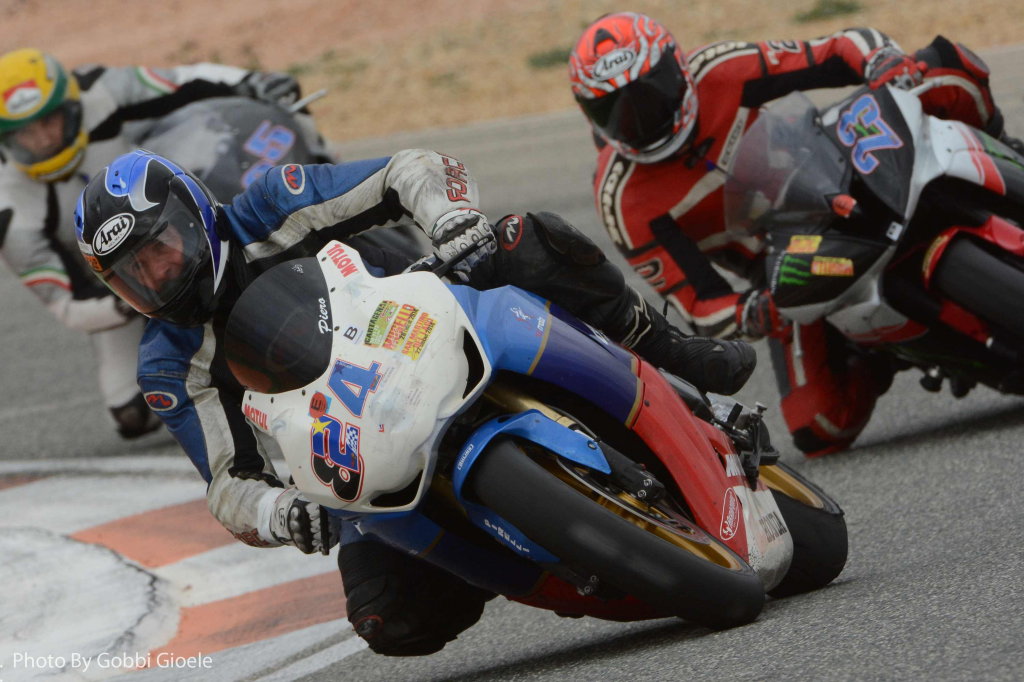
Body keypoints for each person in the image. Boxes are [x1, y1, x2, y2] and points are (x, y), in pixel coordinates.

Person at [74, 148, 756, 655]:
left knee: (525, 240)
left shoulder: (274, 206)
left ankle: (669, 352)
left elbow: (406, 170)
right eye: (134, 275)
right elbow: (228, 483)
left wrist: (449, 218)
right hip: (356, 450)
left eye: (160, 250)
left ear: (194, 215)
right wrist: (281, 513)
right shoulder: (169, 363)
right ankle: (519, 548)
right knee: (390, 620)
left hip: (429, 320)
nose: (158, 276)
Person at [570, 13, 1024, 456]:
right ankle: (877, 349)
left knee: (941, 66)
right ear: (592, 116)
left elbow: (837, 49)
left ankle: (1006, 150)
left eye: (651, 93)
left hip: (833, 162)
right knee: (820, 423)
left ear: (678, 67)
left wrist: (880, 61)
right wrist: (751, 312)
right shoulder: (622, 199)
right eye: (616, 111)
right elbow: (698, 303)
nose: (642, 117)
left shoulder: (719, 68)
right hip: (785, 261)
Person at [0, 47, 307, 437]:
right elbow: (66, 306)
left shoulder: (100, 90)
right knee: (132, 414)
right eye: (25, 133)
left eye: (50, 120)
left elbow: (182, 81)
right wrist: (137, 299)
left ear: (72, 105)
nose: (44, 139)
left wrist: (252, 82)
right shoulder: (9, 214)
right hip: (120, 290)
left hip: (184, 227)